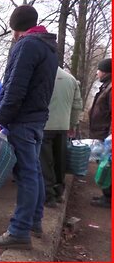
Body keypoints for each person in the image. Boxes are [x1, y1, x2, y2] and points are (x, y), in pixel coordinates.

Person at [0, 5, 58, 249]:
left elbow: (14, 88)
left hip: (22, 119)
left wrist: (1, 120)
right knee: (35, 172)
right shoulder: (49, 48)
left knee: (26, 174)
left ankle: (19, 230)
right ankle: (34, 221)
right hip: (38, 119)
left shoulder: (27, 44)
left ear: (15, 28)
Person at [41, 67, 83, 208]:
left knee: (45, 162)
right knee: (60, 160)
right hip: (63, 126)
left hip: (44, 125)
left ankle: (49, 196)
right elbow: (77, 105)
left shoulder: (42, 75)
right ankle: (59, 192)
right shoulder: (71, 79)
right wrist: (72, 124)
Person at [89, 58, 111, 208]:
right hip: (101, 133)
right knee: (103, 164)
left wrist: (110, 136)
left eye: (99, 70)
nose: (97, 72)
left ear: (106, 71)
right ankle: (106, 195)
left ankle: (108, 197)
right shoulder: (106, 86)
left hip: (106, 135)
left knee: (106, 166)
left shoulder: (111, 88)